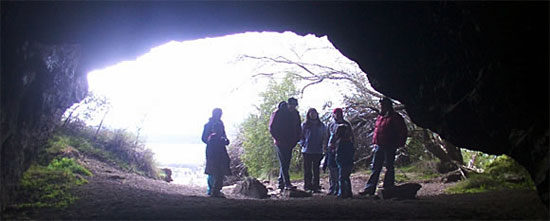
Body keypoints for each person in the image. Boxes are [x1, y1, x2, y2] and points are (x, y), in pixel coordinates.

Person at [359, 97, 408, 196]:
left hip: (390, 145)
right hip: (379, 145)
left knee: (389, 167)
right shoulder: (380, 117)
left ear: (387, 106)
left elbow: (402, 131)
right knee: (375, 167)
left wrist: (399, 143)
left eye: (382, 105)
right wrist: (375, 142)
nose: (381, 107)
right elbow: (377, 130)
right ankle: (370, 188)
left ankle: (388, 188)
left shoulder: (395, 117)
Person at [269, 98, 302, 190]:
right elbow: (272, 127)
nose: (293, 107)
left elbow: (298, 127)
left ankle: (281, 183)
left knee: (286, 162)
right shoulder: (278, 113)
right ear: (288, 104)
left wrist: (296, 139)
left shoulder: (295, 114)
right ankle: (287, 183)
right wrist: (278, 138)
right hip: (280, 142)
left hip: (291, 142)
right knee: (284, 162)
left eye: (294, 106)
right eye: (292, 105)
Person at [201, 108, 231, 198]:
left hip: (220, 149)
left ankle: (216, 189)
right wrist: (212, 141)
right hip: (212, 150)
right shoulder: (208, 125)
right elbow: (204, 138)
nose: (220, 116)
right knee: (212, 169)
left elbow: (223, 135)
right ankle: (211, 190)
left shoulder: (221, 124)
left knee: (220, 169)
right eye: (219, 114)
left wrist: (225, 140)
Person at [328, 108, 355, 198]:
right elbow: (329, 137)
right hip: (335, 151)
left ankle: (343, 192)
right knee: (335, 171)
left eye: (339, 113)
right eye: (336, 113)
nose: (338, 115)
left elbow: (352, 137)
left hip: (342, 154)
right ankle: (335, 189)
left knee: (343, 175)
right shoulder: (331, 124)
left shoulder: (346, 125)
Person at [299, 108, 327, 193]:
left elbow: (325, 136)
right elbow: (300, 136)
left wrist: (324, 146)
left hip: (318, 150)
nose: (313, 115)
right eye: (311, 113)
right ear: (308, 114)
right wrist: (302, 144)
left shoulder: (321, 125)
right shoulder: (304, 125)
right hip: (307, 150)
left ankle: (316, 186)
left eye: (314, 113)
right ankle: (307, 186)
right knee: (307, 169)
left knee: (316, 169)